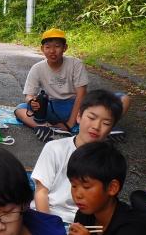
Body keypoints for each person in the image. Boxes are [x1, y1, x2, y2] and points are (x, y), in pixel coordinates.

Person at [32, 89, 123, 225]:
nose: (96, 126)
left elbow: (105, 205)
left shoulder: (108, 161)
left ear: (111, 129)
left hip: (82, 223)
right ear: (79, 116)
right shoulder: (54, 148)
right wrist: (48, 226)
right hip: (47, 214)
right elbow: (41, 192)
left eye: (106, 123)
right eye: (91, 118)